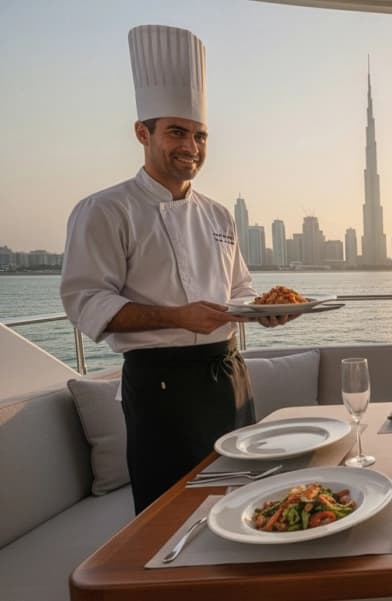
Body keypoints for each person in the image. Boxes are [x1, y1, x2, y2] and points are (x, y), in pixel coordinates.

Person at [60, 25, 292, 514]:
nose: (192, 145)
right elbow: (86, 303)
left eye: (200, 135)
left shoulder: (219, 213)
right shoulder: (105, 210)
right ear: (142, 133)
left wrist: (261, 313)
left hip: (229, 373)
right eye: (177, 132)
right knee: (172, 513)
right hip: (160, 383)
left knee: (245, 501)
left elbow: (240, 290)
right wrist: (177, 316)